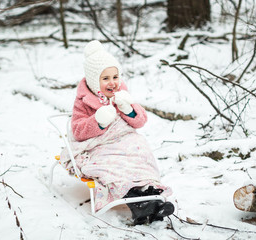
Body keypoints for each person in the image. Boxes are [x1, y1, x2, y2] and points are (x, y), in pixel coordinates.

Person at [60, 40, 174, 225]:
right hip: (99, 145)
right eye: (105, 79)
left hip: (126, 139)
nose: (112, 82)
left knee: (140, 152)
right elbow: (78, 131)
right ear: (93, 80)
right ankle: (139, 204)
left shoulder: (121, 93)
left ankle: (151, 195)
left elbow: (140, 121)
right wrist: (98, 121)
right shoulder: (84, 100)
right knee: (114, 166)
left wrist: (128, 108)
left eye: (115, 76)